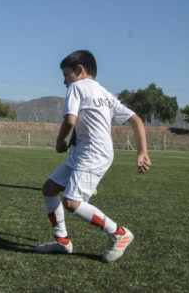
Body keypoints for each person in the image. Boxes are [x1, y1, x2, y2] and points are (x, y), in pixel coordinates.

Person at [34, 50, 151, 263]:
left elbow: (70, 120)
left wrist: (59, 142)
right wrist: (142, 152)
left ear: (80, 70)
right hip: (84, 153)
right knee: (49, 189)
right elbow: (137, 120)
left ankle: (118, 233)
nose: (64, 81)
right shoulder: (105, 93)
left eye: (66, 75)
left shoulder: (76, 87)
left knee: (72, 203)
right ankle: (61, 240)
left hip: (92, 154)